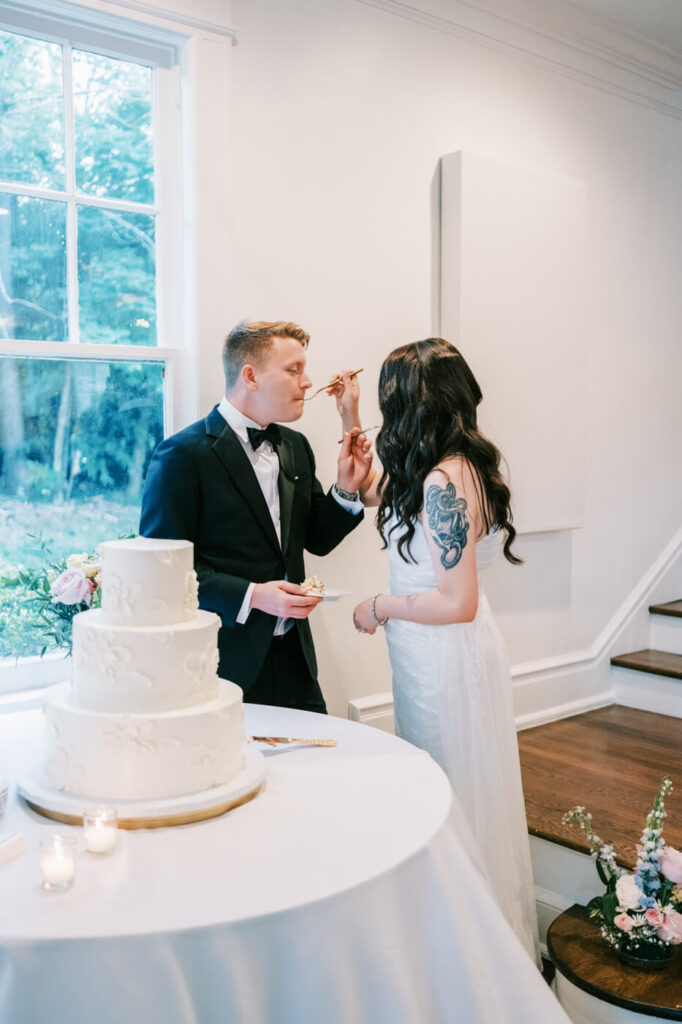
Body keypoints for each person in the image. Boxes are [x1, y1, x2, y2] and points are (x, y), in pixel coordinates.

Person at [336, 338, 539, 962]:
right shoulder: (439, 468)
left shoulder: (447, 481)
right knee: (439, 781)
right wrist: (346, 421)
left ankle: (468, 949)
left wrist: (379, 606)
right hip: (425, 655)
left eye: (387, 398)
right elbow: (381, 497)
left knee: (451, 788)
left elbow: (457, 603)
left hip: (446, 655)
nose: (383, 408)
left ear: (416, 403)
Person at [140, 320, 372, 713]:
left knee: (312, 767)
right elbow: (163, 569)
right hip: (222, 660)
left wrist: (347, 489)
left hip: (294, 656)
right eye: (293, 370)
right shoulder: (183, 455)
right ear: (250, 375)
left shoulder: (296, 447)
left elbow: (316, 538)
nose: (307, 381)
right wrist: (253, 596)